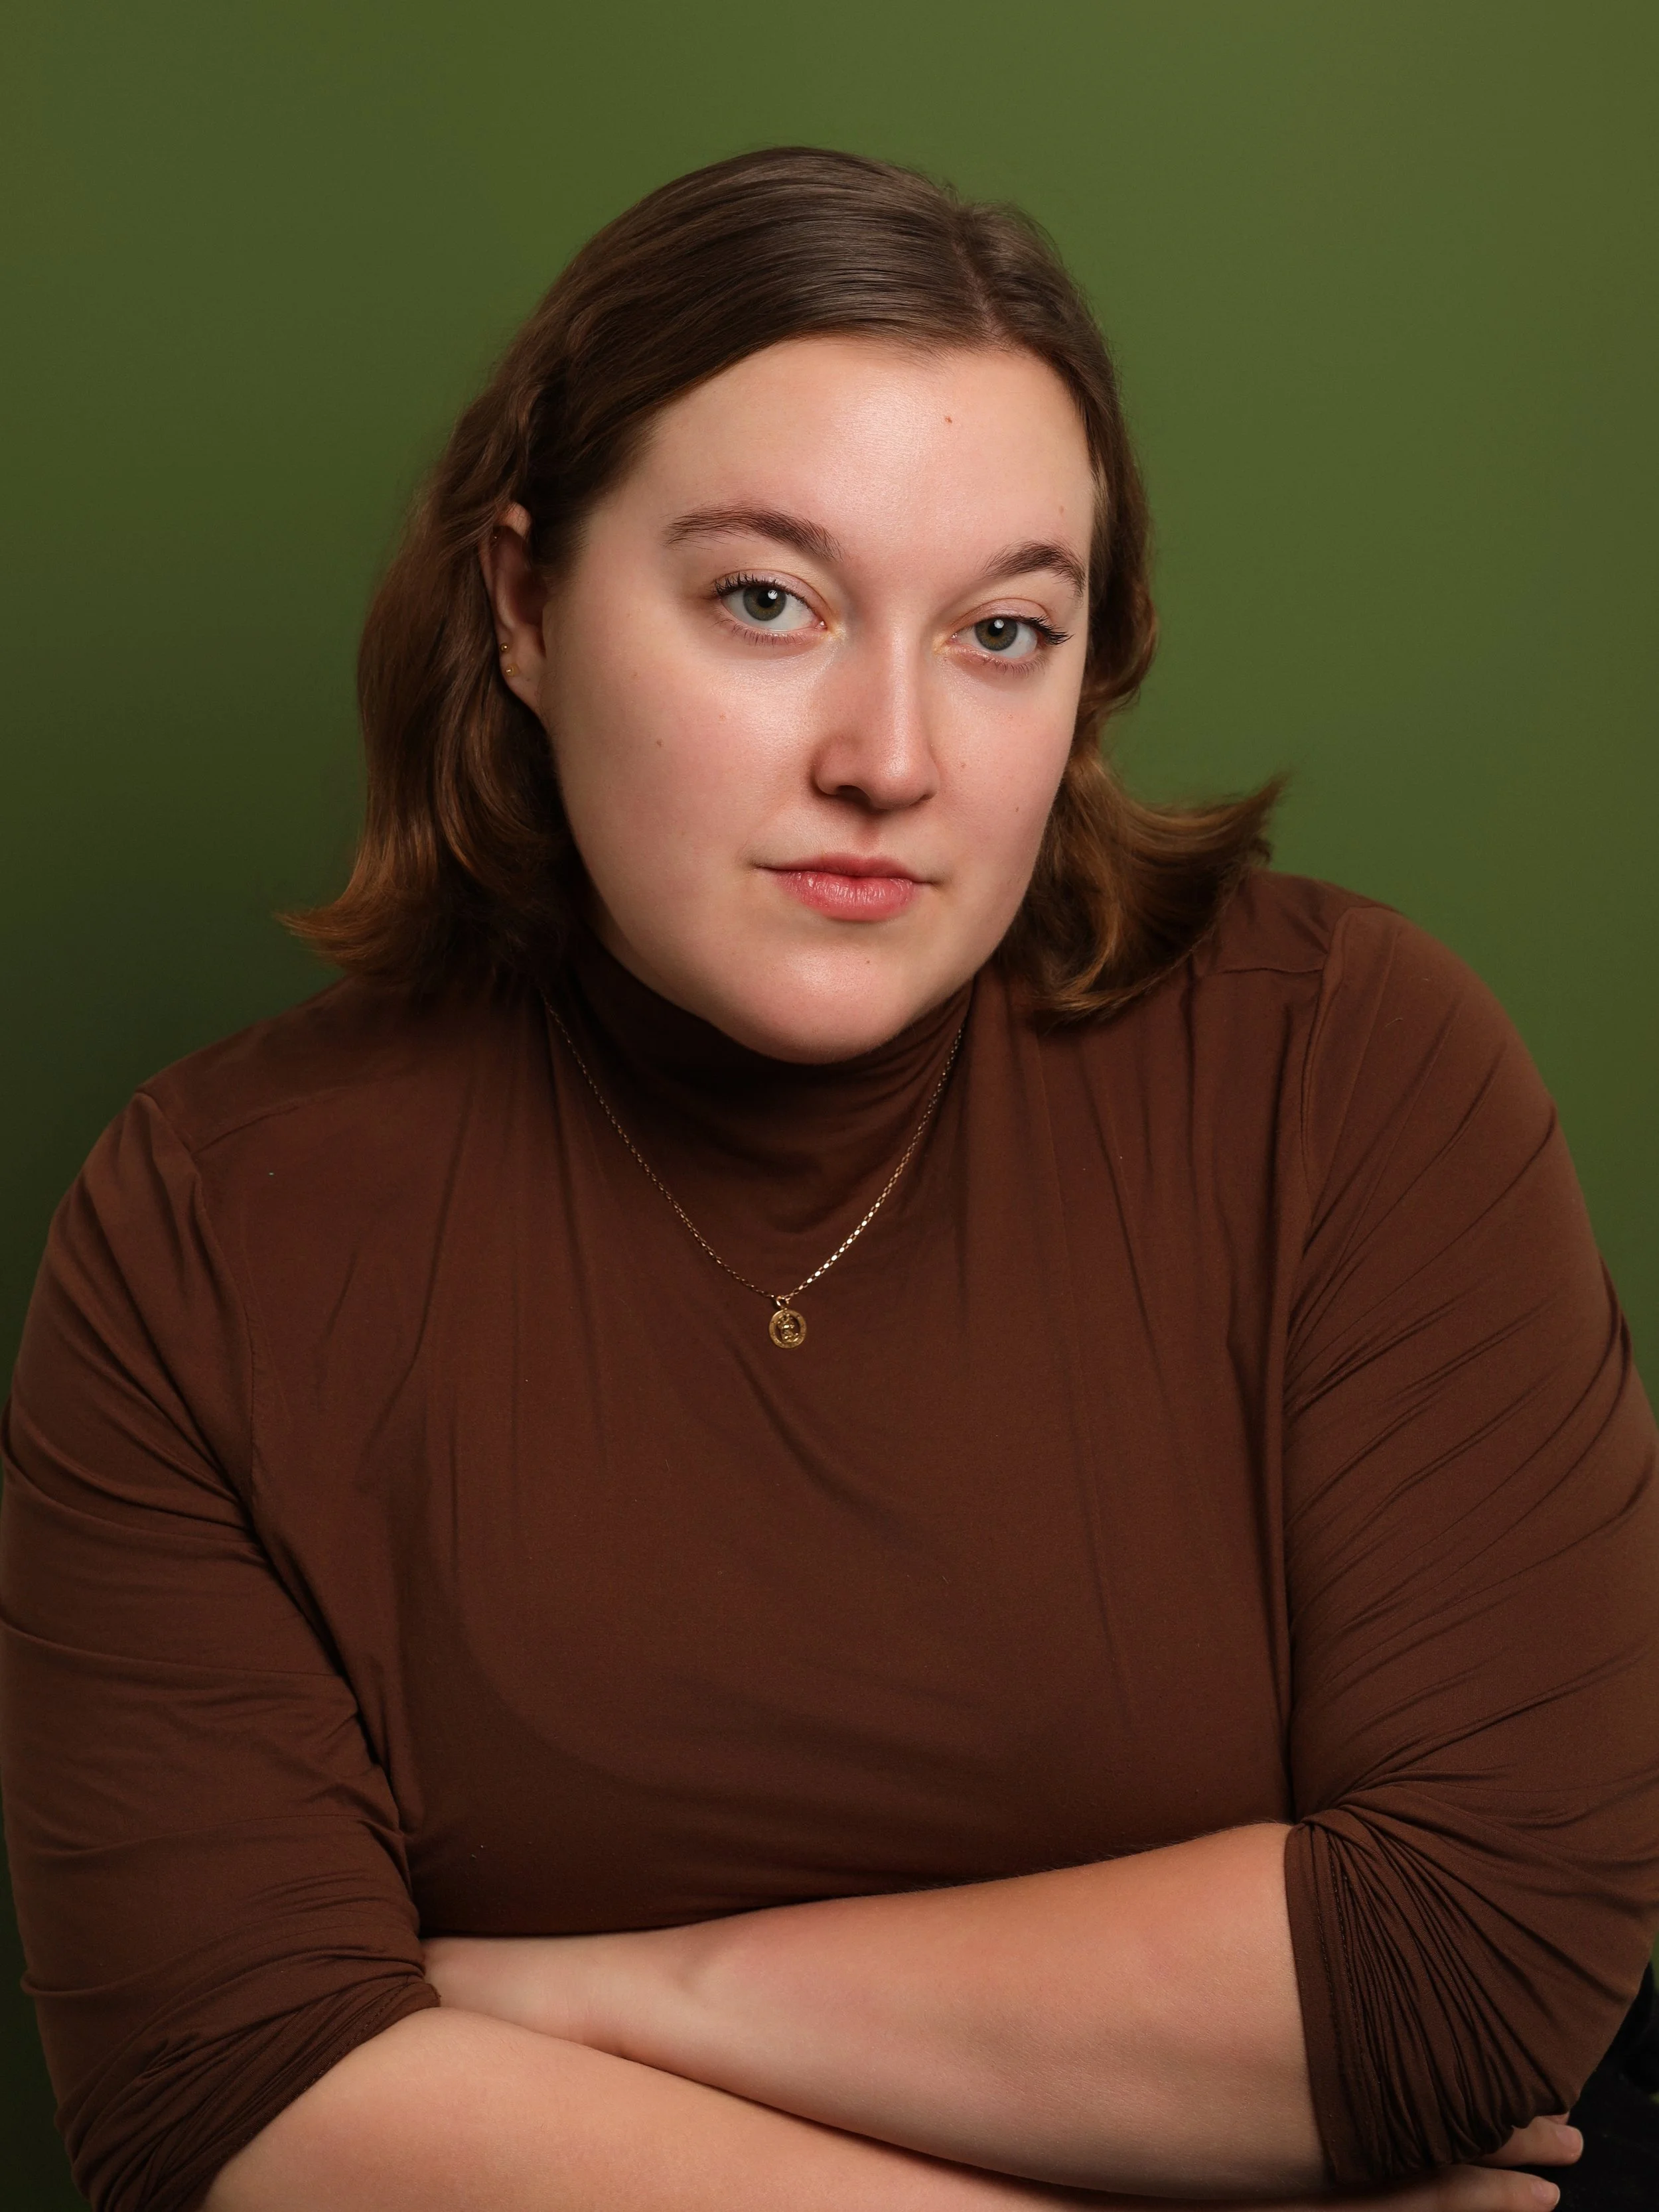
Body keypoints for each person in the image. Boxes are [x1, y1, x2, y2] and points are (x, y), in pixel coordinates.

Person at [2, 146, 1656, 2212]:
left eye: (999, 629)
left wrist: (577, 2005)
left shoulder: (1344, 1061)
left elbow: (1475, 1956)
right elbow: (226, 2103)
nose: (889, 751)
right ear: (523, 604)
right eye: (765, 598)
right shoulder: (210, 1224)